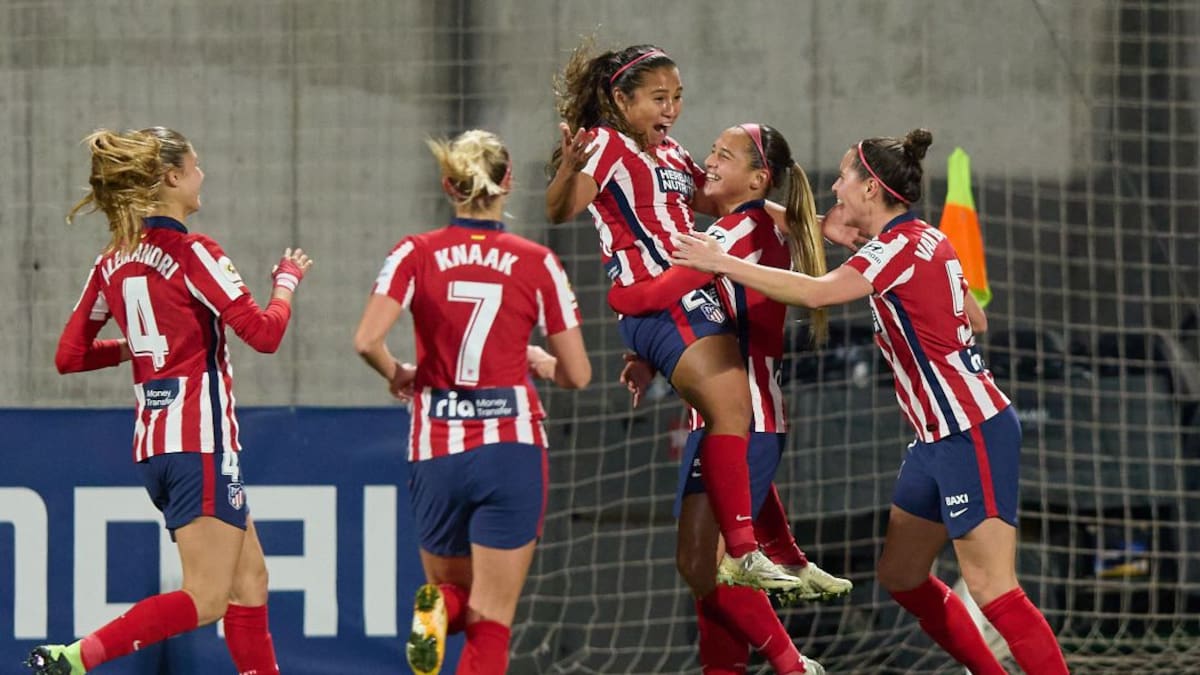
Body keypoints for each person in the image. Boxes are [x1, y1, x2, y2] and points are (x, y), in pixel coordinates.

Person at [671, 129, 1071, 675]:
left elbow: (814, 292)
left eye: (843, 177)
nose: (835, 187)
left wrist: (720, 261)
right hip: (932, 440)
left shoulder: (893, 249)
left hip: (971, 430)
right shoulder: (919, 240)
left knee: (994, 588)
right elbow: (975, 318)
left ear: (870, 188)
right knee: (901, 576)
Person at [29, 127, 311, 675]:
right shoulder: (194, 252)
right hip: (200, 443)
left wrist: (133, 348)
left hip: (157, 448)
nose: (203, 175)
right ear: (172, 177)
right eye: (196, 166)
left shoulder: (112, 261)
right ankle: (78, 656)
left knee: (250, 581)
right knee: (206, 598)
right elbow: (264, 334)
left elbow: (70, 356)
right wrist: (286, 282)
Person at [546, 41, 810, 598]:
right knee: (735, 406)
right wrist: (567, 171)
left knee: (730, 422)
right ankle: (748, 550)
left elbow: (716, 199)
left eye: (678, 97)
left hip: (681, 300)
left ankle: (765, 561)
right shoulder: (606, 144)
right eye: (658, 98)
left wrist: (802, 218)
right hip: (663, 300)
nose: (671, 109)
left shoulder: (670, 154)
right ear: (622, 100)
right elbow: (561, 209)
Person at [618, 123, 855, 674]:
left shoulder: (733, 235)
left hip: (744, 424)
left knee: (707, 565)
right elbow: (699, 316)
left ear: (757, 178)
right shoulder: (751, 226)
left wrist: (617, 294)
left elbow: (659, 294)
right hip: (730, 422)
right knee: (704, 569)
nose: (709, 161)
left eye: (724, 156)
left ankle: (794, 665)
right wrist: (648, 356)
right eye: (711, 151)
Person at [354, 129, 591, 675]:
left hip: (436, 443)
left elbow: (366, 340)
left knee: (455, 600)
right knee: (492, 620)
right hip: (510, 447)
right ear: (509, 182)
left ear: (448, 185)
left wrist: (397, 373)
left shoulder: (413, 253)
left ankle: (438, 607)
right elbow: (578, 375)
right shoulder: (537, 262)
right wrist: (542, 363)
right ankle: (444, 611)